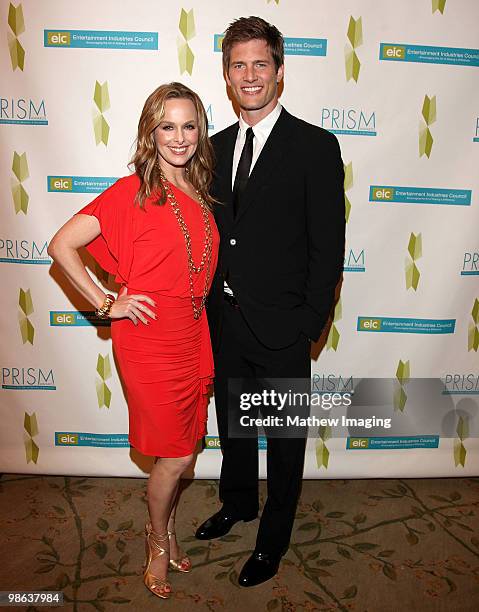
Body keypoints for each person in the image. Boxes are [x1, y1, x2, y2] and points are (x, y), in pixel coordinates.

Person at [48, 82, 219, 599]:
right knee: (171, 457)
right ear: (151, 131)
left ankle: (166, 527)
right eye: (167, 125)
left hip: (194, 334)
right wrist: (106, 303)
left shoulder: (199, 190)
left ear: (199, 131)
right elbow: (61, 245)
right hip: (149, 341)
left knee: (186, 452)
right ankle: (156, 542)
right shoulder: (131, 192)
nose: (179, 136)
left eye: (189, 125)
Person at [195, 17, 346, 587]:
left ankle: (273, 538)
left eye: (261, 63)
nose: (250, 75)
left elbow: (327, 244)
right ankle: (237, 502)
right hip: (224, 322)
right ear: (227, 76)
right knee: (233, 425)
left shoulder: (315, 146)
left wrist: (310, 322)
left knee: (283, 443)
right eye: (239, 65)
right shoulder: (212, 149)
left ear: (279, 73)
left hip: (284, 327)